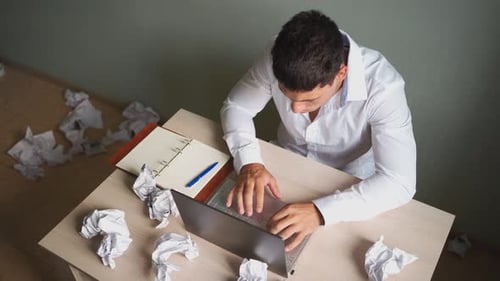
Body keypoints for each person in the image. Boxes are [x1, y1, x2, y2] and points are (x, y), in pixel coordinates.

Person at [220, 10, 416, 252]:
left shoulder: (384, 88)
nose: (296, 109)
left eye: (309, 100)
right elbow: (237, 106)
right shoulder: (277, 55)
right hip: (284, 162)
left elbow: (400, 183)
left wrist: (321, 212)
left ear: (341, 74)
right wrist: (250, 163)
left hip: (348, 185)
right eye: (286, 94)